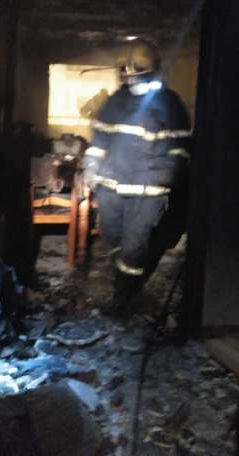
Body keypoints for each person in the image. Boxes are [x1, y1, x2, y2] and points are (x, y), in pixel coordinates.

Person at [83, 40, 191, 311]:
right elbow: (99, 140)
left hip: (147, 191)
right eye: (126, 72)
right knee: (113, 241)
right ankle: (125, 285)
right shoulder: (115, 102)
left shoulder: (169, 103)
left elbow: (180, 149)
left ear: (151, 70)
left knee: (134, 247)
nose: (130, 77)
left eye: (136, 72)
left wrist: (167, 179)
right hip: (112, 188)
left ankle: (123, 298)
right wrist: (91, 166)